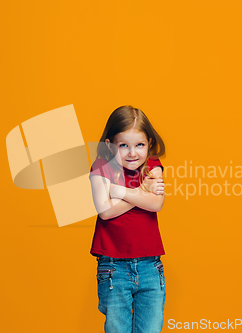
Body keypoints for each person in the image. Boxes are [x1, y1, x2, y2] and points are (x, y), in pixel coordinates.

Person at [89, 105, 167, 333]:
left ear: (149, 143)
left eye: (139, 145)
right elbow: (104, 210)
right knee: (117, 328)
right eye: (124, 145)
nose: (133, 153)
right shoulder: (101, 167)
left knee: (150, 329)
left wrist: (118, 191)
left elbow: (157, 203)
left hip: (150, 266)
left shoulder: (152, 166)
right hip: (113, 267)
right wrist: (142, 191)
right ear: (109, 145)